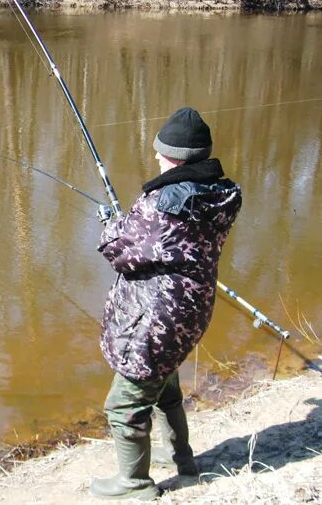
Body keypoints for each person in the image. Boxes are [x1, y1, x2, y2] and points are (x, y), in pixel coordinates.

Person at [89, 107, 243, 500]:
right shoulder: (222, 193)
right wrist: (132, 222)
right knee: (166, 388)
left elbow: (121, 252)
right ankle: (183, 461)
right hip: (190, 311)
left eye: (161, 151)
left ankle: (135, 484)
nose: (156, 157)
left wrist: (111, 223)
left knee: (123, 404)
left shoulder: (161, 204)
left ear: (174, 155)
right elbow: (167, 244)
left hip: (155, 319)